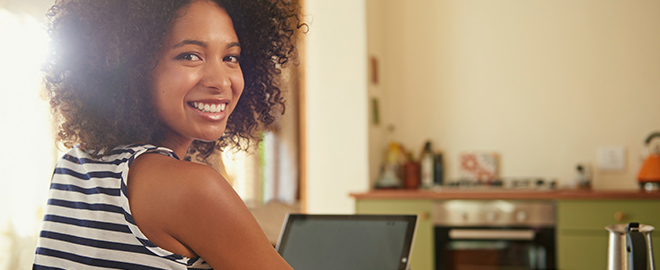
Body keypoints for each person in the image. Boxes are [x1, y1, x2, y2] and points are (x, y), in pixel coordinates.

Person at [33, 0, 302, 269]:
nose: (221, 81)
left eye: (230, 57)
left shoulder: (72, 166)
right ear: (129, 67)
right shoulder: (193, 189)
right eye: (190, 55)